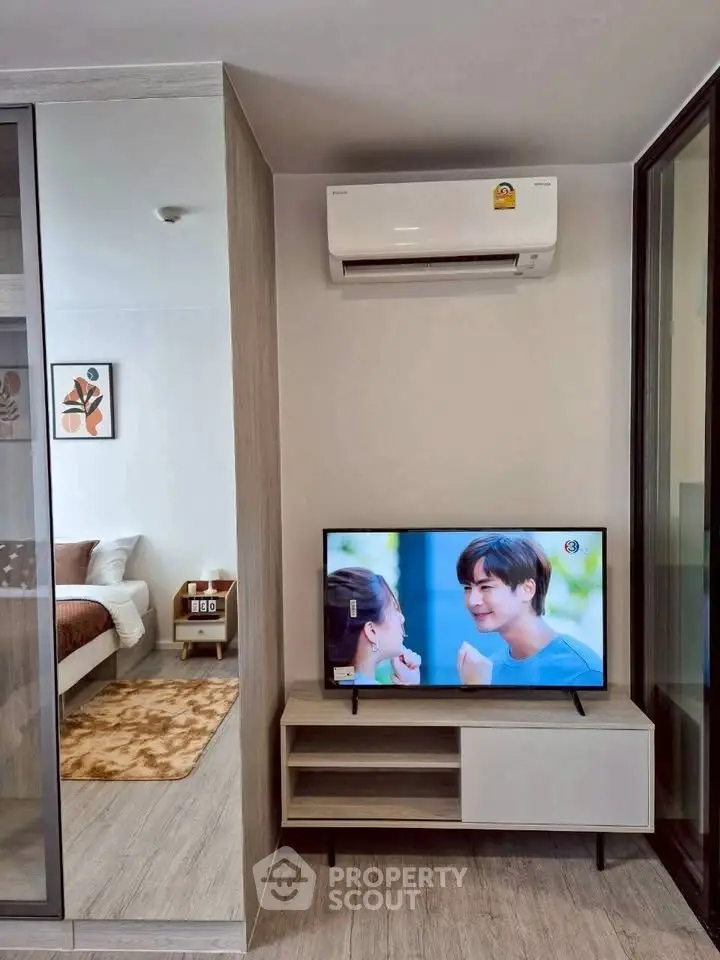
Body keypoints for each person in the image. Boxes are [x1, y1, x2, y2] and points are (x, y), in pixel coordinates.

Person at [455, 534, 603, 687]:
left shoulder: (583, 671)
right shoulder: (489, 670)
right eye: (467, 588)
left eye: (485, 587)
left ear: (527, 589)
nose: (472, 601)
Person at [325, 567, 422, 685]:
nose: (402, 618)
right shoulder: (377, 699)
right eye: (394, 609)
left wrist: (407, 684)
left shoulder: (340, 681)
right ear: (371, 631)